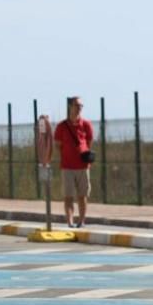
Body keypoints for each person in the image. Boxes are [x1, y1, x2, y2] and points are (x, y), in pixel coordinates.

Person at [53, 96, 94, 228]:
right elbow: (58, 144)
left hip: (82, 166)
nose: (79, 108)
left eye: (81, 106)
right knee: (68, 196)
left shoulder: (86, 124)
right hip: (67, 166)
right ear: (70, 106)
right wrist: (66, 155)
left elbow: (89, 142)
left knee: (82, 195)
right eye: (77, 105)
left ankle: (81, 221)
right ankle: (70, 222)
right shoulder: (62, 126)